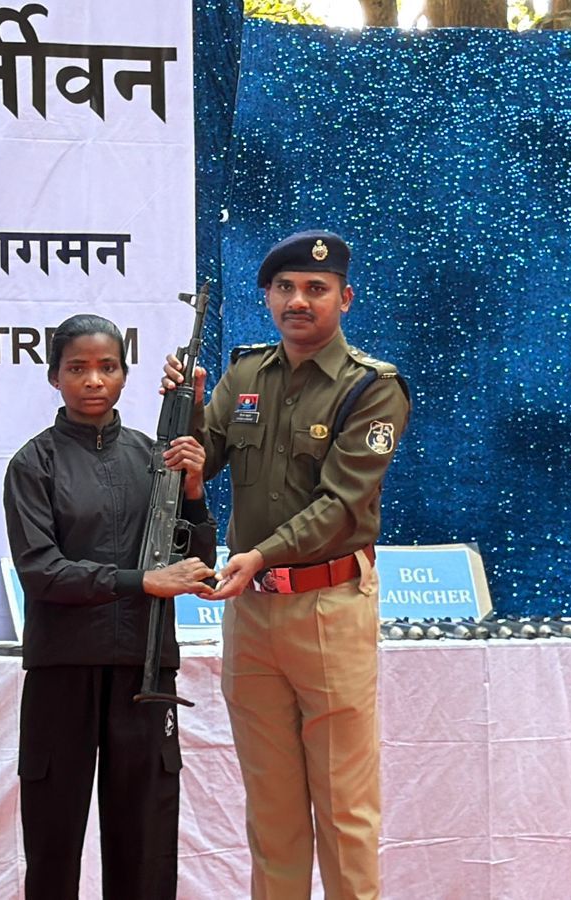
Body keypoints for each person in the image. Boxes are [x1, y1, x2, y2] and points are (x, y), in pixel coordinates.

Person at [163, 230, 410, 900]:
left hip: (328, 608)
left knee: (344, 810)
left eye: (315, 289)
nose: (298, 300)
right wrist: (183, 410)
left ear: (344, 298)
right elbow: (202, 460)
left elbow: (341, 504)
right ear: (268, 296)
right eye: (285, 288)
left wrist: (259, 555)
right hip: (252, 612)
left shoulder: (372, 388)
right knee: (270, 813)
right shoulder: (245, 374)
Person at [3, 314, 217, 899]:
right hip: (62, 670)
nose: (93, 380)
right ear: (54, 377)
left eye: (107, 367)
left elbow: (198, 562)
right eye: (77, 368)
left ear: (125, 375)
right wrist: (142, 581)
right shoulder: (34, 463)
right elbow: (41, 572)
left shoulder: (158, 458)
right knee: (53, 842)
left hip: (145, 669)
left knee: (146, 845)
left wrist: (194, 492)